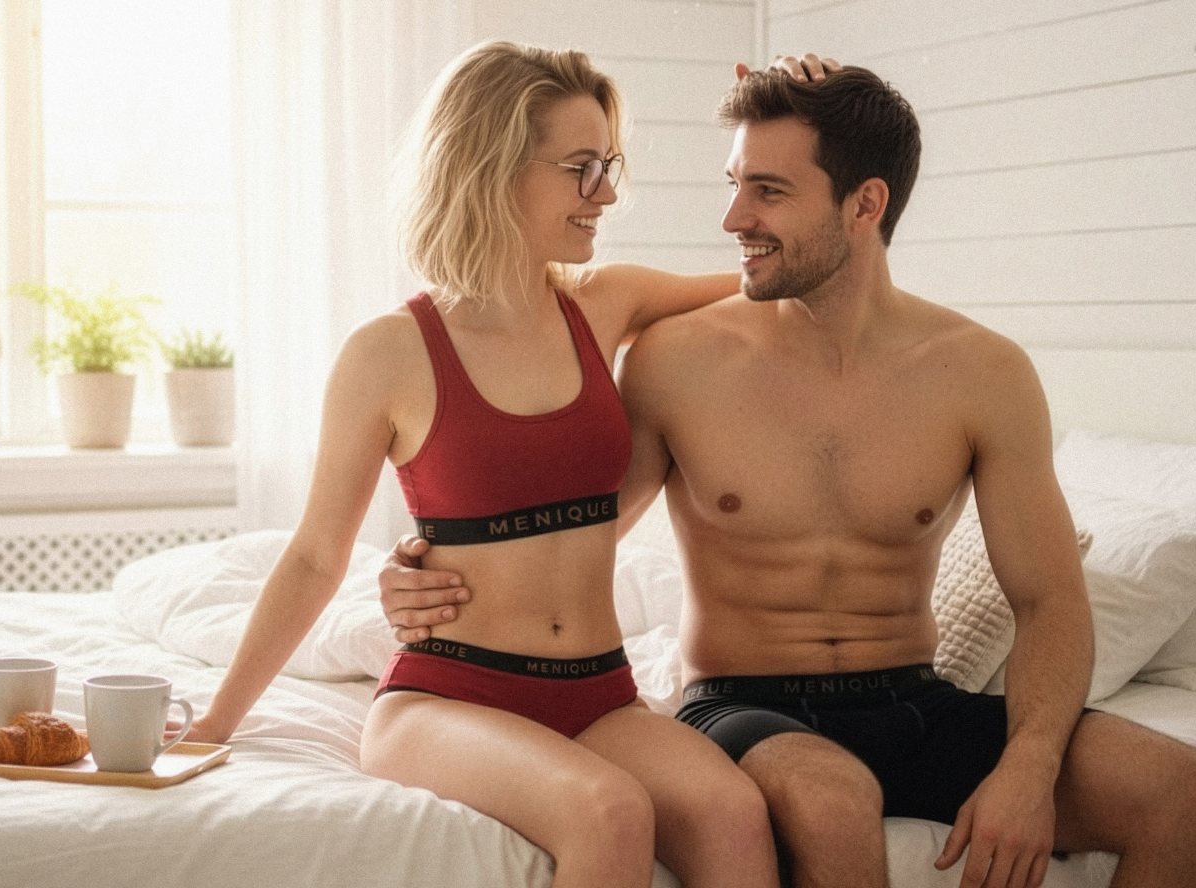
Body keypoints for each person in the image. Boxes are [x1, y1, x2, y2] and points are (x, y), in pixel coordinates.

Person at [378, 56, 1196, 888]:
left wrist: (1028, 767)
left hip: (913, 697)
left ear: (866, 203)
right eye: (734, 183)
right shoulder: (678, 359)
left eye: (769, 191)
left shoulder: (982, 372)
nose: (733, 219)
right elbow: (566, 527)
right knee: (833, 802)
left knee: (1193, 797)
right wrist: (423, 571)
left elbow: (1050, 600)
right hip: (739, 706)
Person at [184, 40, 781, 888]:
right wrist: (216, 721)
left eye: (608, 165)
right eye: (580, 168)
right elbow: (317, 554)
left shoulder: (605, 303)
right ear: (490, 167)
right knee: (610, 812)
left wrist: (804, 107)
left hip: (599, 692)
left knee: (734, 814)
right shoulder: (386, 353)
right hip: (448, 699)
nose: (606, 193)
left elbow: (774, 280)